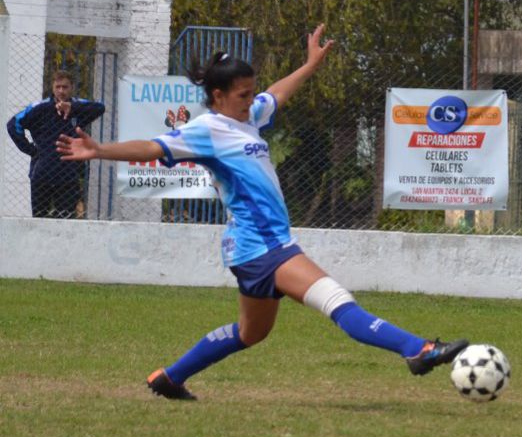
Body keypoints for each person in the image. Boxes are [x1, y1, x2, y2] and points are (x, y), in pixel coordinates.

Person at [57, 24, 468, 400]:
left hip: (251, 247)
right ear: (218, 96)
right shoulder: (206, 130)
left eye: (252, 93)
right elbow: (152, 147)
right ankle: (419, 349)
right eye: (242, 95)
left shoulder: (248, 117)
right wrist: (98, 151)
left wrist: (308, 65)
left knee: (251, 333)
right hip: (264, 245)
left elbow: (279, 93)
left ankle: (169, 377)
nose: (251, 101)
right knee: (339, 302)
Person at [7, 70, 106, 219]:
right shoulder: (40, 108)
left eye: (65, 87)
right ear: (52, 87)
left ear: (71, 87)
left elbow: (100, 108)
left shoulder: (78, 107)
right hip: (41, 173)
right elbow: (13, 125)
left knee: (66, 221)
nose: (61, 91)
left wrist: (72, 108)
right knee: (40, 220)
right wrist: (31, 150)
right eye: (58, 86)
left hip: (68, 175)